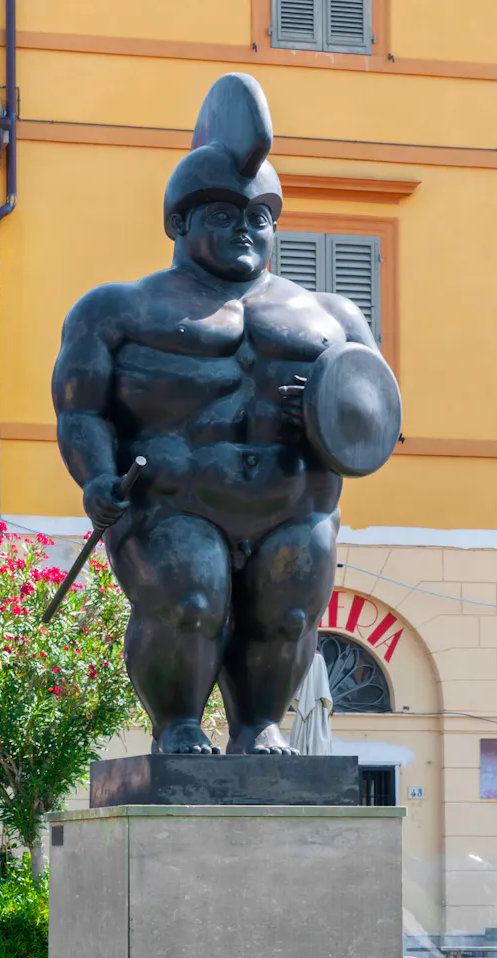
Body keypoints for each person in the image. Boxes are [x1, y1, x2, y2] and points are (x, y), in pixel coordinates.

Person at [52, 73, 396, 754]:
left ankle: (258, 727)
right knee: (190, 602)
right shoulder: (118, 309)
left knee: (291, 616)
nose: (245, 229)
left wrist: (326, 419)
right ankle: (176, 726)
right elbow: (80, 410)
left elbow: (376, 421)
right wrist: (94, 477)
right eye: (223, 215)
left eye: (258, 218)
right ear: (180, 222)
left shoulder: (333, 316)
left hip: (296, 506)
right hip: (171, 505)